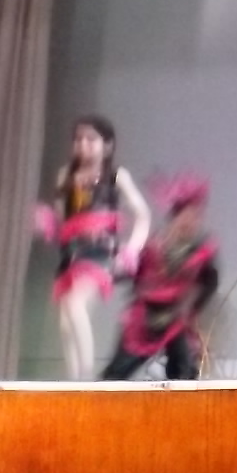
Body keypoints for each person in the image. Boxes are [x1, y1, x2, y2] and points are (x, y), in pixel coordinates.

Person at [35, 115, 151, 381]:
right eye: (78, 139)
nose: (83, 145)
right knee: (66, 322)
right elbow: (62, 218)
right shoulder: (66, 176)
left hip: (100, 253)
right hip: (71, 254)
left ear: (107, 145)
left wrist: (132, 249)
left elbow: (142, 214)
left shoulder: (116, 176)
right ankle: (74, 381)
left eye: (91, 139)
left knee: (75, 303)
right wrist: (49, 224)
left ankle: (87, 382)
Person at [103, 174, 218, 380]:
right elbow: (128, 273)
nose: (194, 222)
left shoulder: (201, 250)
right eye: (189, 215)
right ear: (176, 216)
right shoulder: (151, 247)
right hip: (145, 320)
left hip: (175, 320)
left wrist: (191, 306)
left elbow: (209, 282)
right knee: (115, 376)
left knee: (185, 372)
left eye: (197, 216)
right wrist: (118, 268)